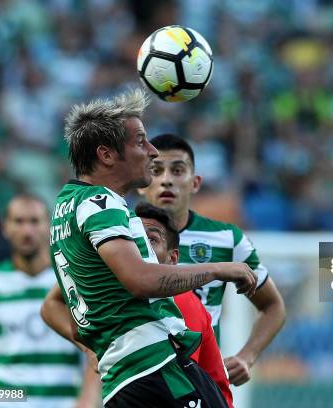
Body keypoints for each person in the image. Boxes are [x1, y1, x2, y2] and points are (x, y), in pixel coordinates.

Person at [50, 88, 256, 407]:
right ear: (106, 155)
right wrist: (218, 270)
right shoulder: (100, 203)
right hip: (154, 370)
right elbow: (140, 280)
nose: (152, 152)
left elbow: (66, 307)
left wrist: (96, 347)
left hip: (123, 379)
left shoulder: (66, 207)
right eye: (141, 142)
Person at [41, 202, 234, 407]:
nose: (141, 248)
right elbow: (51, 305)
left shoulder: (181, 301)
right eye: (133, 240)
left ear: (172, 258)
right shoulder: (113, 289)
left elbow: (179, 381)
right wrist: (92, 349)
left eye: (151, 240)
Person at [139, 134, 286, 385]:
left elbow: (273, 307)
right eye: (156, 170)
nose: (166, 180)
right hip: (140, 381)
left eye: (177, 170)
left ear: (195, 182)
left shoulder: (226, 238)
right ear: (142, 182)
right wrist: (91, 350)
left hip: (202, 381)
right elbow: (59, 303)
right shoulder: (118, 234)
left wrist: (246, 357)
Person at [0, 194, 101, 408]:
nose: (27, 231)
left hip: (62, 402)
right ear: (5, 228)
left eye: (34, 221)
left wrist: (86, 401)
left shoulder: (71, 279)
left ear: (49, 226)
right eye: (18, 222)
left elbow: (95, 347)